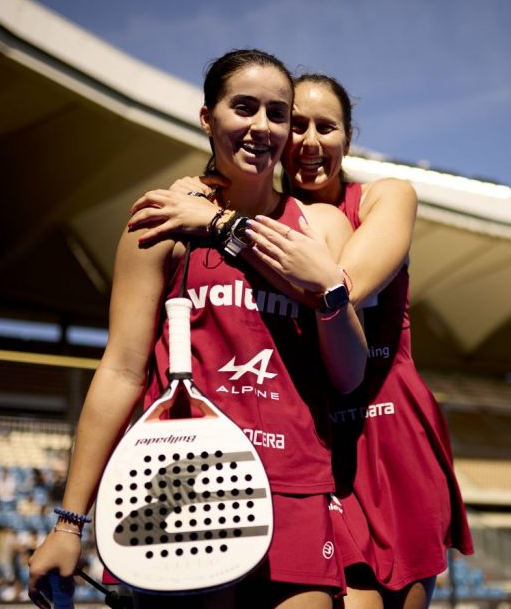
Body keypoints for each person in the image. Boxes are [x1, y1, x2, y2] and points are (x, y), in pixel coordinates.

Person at [28, 49, 367, 609]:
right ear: (208, 118)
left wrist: (329, 291)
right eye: (244, 108)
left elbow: (349, 375)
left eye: (277, 113)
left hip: (295, 485)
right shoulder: (161, 224)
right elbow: (121, 369)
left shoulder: (320, 226)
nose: (262, 126)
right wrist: (69, 523)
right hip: (179, 481)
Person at [129, 72, 474, 609]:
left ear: (349, 137)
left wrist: (220, 221)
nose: (311, 142)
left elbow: (340, 286)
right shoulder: (272, 215)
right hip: (310, 440)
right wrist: (203, 194)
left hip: (383, 433)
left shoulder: (384, 197)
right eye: (301, 125)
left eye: (328, 127)